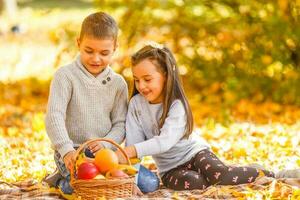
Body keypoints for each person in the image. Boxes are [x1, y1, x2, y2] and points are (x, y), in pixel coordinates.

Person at [115, 42, 278, 191]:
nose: (141, 86)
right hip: (170, 169)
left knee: (218, 175)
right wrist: (132, 182)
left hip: (195, 153)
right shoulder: (136, 104)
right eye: (136, 80)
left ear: (165, 75)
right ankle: (236, 173)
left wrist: (130, 150)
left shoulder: (176, 104)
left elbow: (164, 142)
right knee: (195, 183)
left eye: (147, 79)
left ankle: (269, 173)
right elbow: (134, 147)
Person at [44, 12, 128, 196]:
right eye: (89, 51)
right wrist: (66, 151)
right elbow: (54, 116)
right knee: (82, 186)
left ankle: (68, 180)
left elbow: (121, 124)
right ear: (78, 43)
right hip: (72, 150)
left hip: (104, 151)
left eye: (104, 53)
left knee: (147, 183)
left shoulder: (118, 83)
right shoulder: (65, 76)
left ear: (115, 48)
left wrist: (106, 145)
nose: (96, 59)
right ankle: (61, 178)